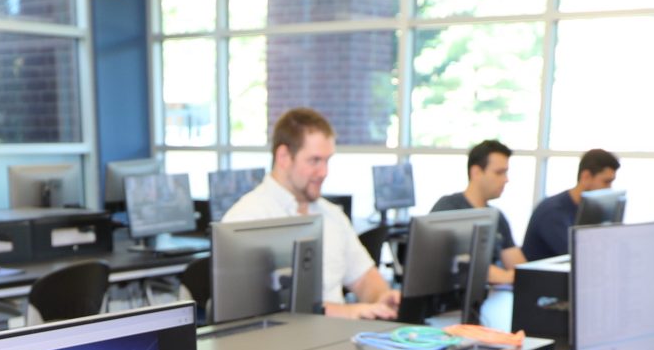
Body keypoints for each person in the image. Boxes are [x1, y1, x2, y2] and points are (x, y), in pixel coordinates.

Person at [220, 108, 398, 320]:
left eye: (327, 161)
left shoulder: (331, 215)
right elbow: (265, 311)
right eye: (314, 161)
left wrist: (382, 297)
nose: (324, 172)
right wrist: (348, 312)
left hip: (337, 342)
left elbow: (363, 278)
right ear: (284, 157)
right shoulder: (245, 219)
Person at [428, 139, 528, 286]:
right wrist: (508, 276)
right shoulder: (449, 208)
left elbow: (521, 268)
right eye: (499, 173)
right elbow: (463, 266)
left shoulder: (497, 216)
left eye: (506, 172)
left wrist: (511, 275)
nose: (506, 180)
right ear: (476, 172)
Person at [521, 148, 620, 262]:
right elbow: (579, 257)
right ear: (586, 177)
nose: (609, 188)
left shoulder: (589, 210)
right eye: (606, 182)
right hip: (544, 279)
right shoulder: (553, 212)